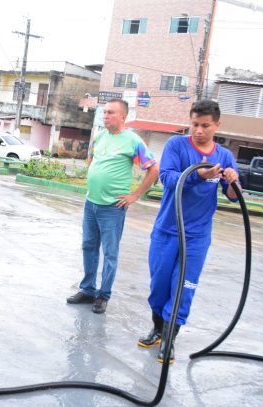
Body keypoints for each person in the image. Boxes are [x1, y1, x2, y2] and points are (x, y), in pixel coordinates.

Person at [137, 99, 241, 364]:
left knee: (184, 289)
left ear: (217, 125)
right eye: (194, 124)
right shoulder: (177, 145)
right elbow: (168, 178)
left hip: (197, 237)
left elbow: (233, 196)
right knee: (159, 287)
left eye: (205, 125)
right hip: (167, 230)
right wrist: (199, 175)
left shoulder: (224, 156)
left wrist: (233, 181)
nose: (198, 130)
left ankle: (169, 339)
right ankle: (158, 329)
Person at [67, 98, 159, 314]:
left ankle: (103, 295)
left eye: (111, 112)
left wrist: (135, 195)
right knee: (88, 246)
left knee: (110, 253)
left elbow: (153, 169)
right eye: (105, 112)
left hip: (112, 208)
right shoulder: (99, 137)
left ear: (123, 117)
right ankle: (88, 290)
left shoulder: (133, 141)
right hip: (91, 203)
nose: (105, 116)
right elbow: (91, 160)